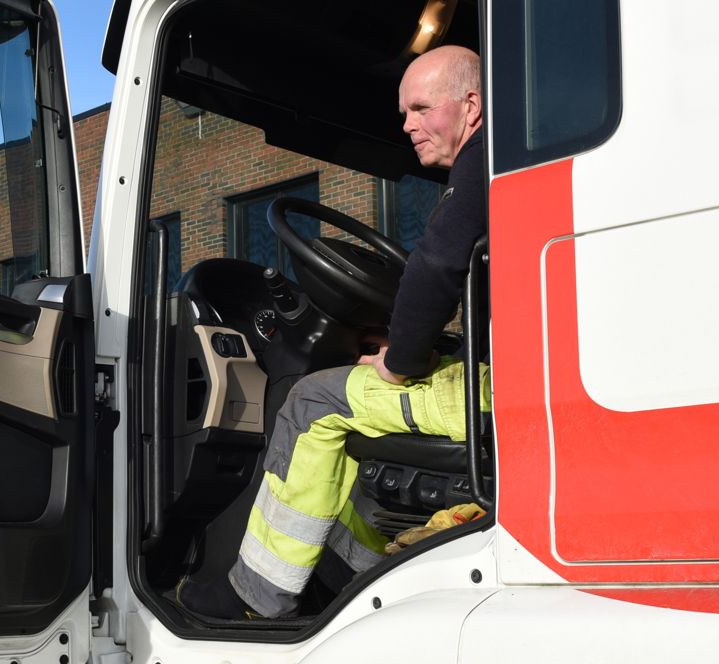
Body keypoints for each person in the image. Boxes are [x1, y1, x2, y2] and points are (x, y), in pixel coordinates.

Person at [179, 45, 488, 619]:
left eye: (421, 108)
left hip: (499, 392)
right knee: (338, 424)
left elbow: (437, 266)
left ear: (471, 106)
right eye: (404, 114)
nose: (408, 124)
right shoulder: (507, 161)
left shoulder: (481, 165)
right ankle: (356, 577)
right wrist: (408, 343)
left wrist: (398, 365)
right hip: (505, 376)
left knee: (310, 401)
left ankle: (258, 598)